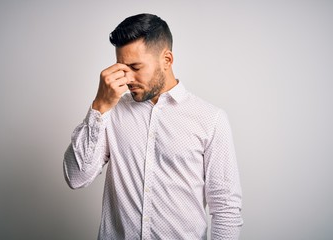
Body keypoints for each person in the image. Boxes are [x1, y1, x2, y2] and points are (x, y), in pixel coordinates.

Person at [63, 13, 243, 240]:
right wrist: (99, 106)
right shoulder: (111, 111)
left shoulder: (210, 119)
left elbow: (226, 208)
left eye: (135, 67)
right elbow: (76, 177)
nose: (127, 78)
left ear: (166, 60)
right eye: (121, 67)